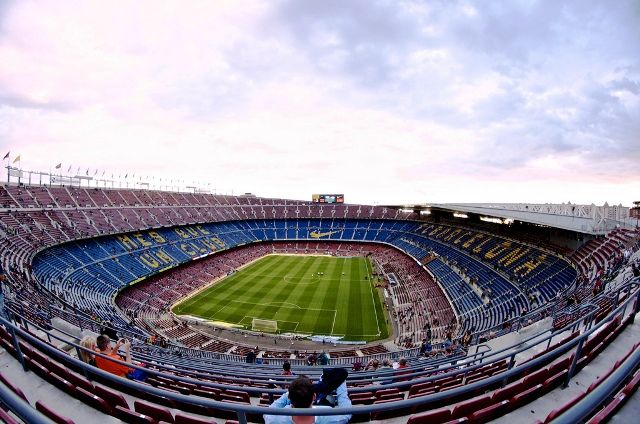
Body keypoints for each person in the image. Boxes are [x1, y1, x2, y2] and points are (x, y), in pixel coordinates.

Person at [263, 375, 351, 424]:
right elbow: (346, 413)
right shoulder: (328, 414)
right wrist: (341, 381)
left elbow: (268, 412)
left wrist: (289, 393)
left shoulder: (273, 419)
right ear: (314, 397)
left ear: (290, 397)